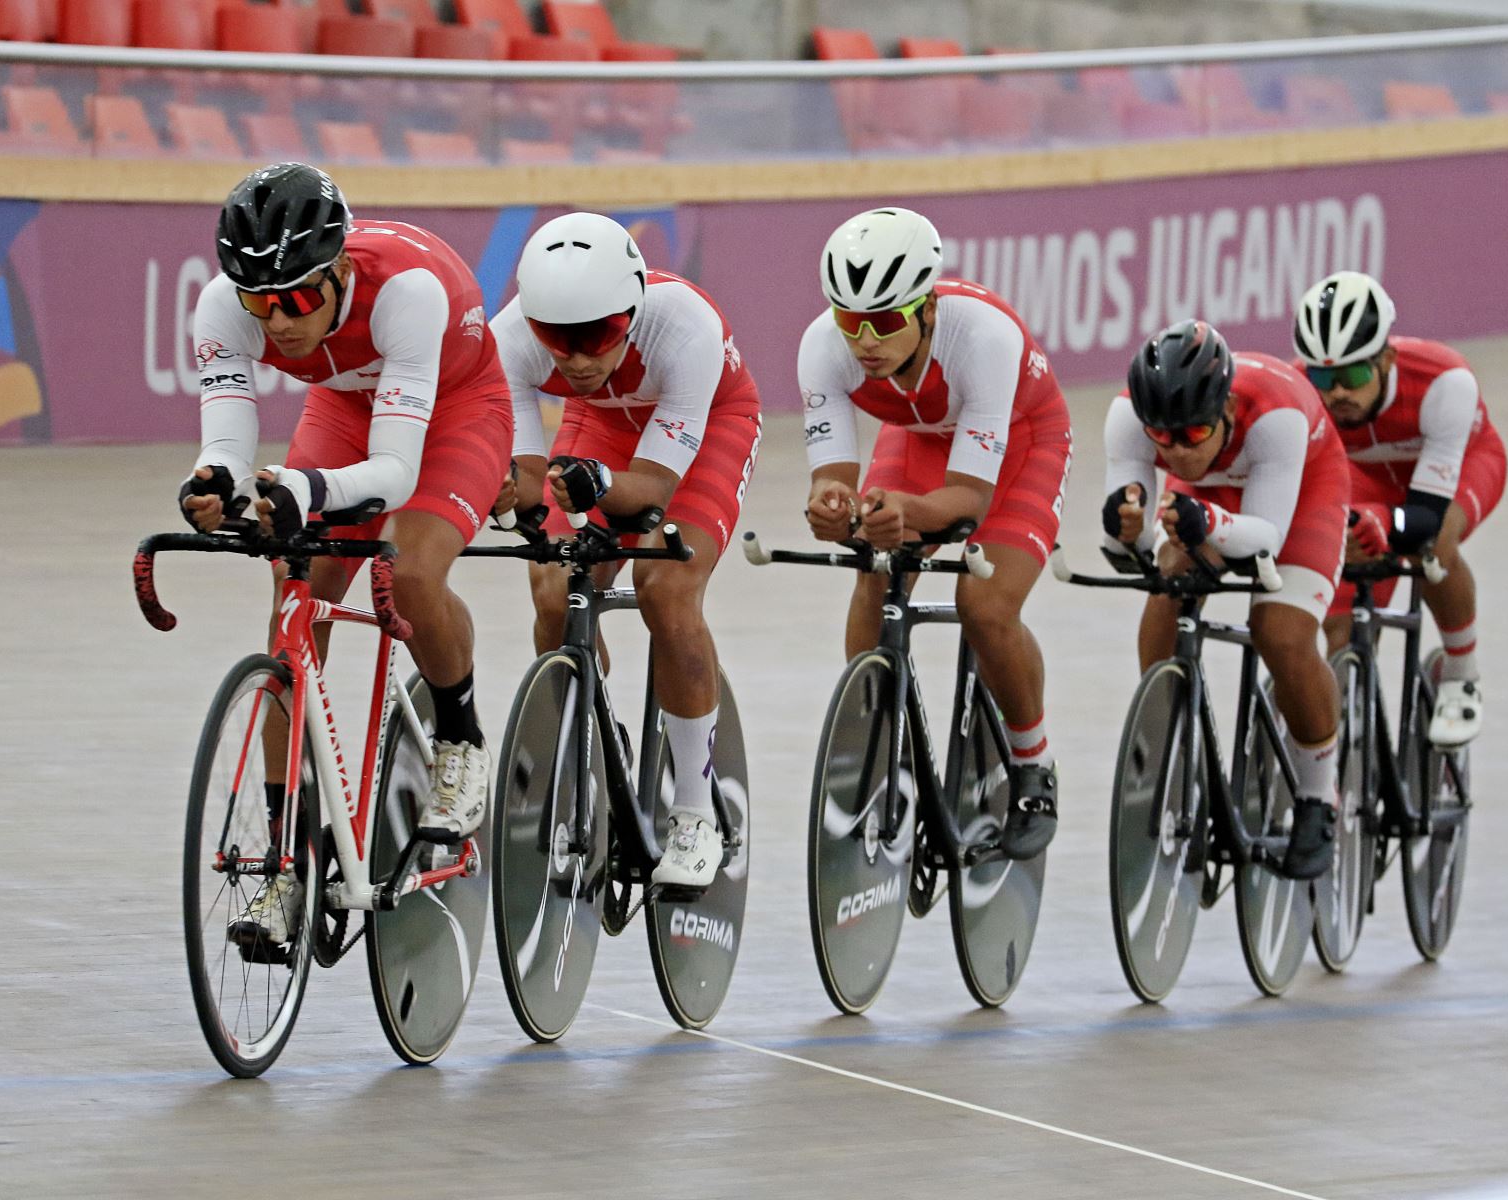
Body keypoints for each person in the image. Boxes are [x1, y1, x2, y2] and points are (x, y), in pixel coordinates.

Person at [179, 162, 534, 948]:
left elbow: (396, 475)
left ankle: (460, 737)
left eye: (300, 299)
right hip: (344, 407)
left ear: (340, 270)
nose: (279, 324)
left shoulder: (408, 294)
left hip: (453, 409)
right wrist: (216, 487)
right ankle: (282, 866)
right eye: (260, 304)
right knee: (293, 601)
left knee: (406, 571)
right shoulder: (223, 309)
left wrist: (303, 490)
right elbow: (228, 449)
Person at [488, 211, 762, 891]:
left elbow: (648, 498)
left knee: (664, 587)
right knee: (554, 591)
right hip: (602, 427)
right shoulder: (509, 340)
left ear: (632, 311)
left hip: (707, 427)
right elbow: (525, 478)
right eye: (559, 341)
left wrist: (597, 485)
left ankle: (698, 811)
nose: (577, 361)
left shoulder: (685, 326)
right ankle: (597, 742)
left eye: (598, 338)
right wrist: (505, 490)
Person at [798, 207, 1073, 860]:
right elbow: (831, 478)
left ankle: (1032, 766)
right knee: (878, 570)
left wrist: (905, 514)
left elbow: (969, 503)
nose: (864, 340)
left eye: (885, 321)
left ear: (926, 309)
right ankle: (874, 745)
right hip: (918, 441)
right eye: (849, 319)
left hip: (1021, 448)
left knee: (985, 605)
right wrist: (834, 508)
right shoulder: (821, 347)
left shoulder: (984, 338)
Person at [1103, 320, 1348, 880]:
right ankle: (1173, 746)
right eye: (1161, 439)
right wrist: (1128, 527)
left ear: (1228, 412)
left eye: (1190, 436)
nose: (1175, 452)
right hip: (1214, 495)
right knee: (1169, 584)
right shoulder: (1133, 419)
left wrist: (1207, 520)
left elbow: (1265, 539)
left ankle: (1318, 796)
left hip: (1301, 490)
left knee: (1280, 633)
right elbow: (1129, 542)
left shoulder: (1275, 417)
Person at [1293, 271, 1506, 748]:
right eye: (1323, 378)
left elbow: (1425, 514)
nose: (1337, 394)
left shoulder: (1444, 382)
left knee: (1429, 549)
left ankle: (1460, 671)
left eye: (1353, 376)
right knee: (1343, 566)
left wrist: (1386, 525)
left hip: (1458, 468)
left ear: (1387, 359)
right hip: (1367, 476)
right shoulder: (1300, 395)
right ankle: (1346, 684)